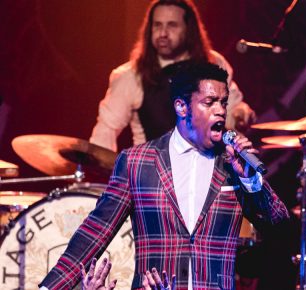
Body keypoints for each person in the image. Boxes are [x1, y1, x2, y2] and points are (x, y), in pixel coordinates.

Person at [39, 62, 288, 290]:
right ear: (181, 106)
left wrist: (250, 180)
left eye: (223, 103)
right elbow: (94, 232)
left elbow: (279, 227)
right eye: (209, 102)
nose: (220, 111)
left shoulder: (232, 164)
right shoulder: (138, 163)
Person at [89, 0, 255, 152]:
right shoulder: (130, 76)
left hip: (209, 174)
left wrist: (241, 114)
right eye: (157, 25)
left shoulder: (213, 63)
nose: (163, 33)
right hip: (156, 178)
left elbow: (232, 111)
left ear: (188, 30)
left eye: (172, 25)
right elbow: (105, 134)